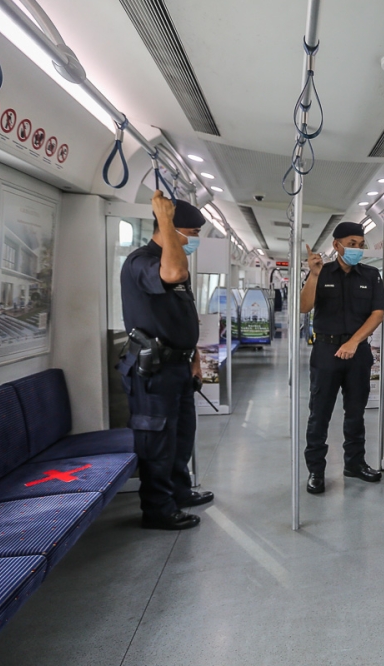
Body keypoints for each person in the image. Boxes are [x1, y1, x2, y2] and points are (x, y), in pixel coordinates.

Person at [118, 191, 215, 530]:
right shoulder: (141, 261)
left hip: (178, 365)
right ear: (171, 230)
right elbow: (171, 273)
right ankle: (158, 509)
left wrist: (194, 357)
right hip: (154, 370)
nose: (195, 241)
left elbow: (182, 316)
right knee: (157, 441)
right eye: (192, 234)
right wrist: (166, 222)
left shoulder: (177, 259)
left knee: (181, 436)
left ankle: (178, 490)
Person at [301, 221, 384, 494]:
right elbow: (304, 307)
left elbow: (377, 312)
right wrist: (313, 275)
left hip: (357, 351)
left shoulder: (371, 275)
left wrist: (353, 342)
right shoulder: (322, 272)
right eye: (352, 244)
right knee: (320, 414)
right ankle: (316, 470)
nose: (357, 249)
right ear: (336, 245)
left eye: (361, 245)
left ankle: (354, 463)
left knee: (356, 413)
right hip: (326, 351)